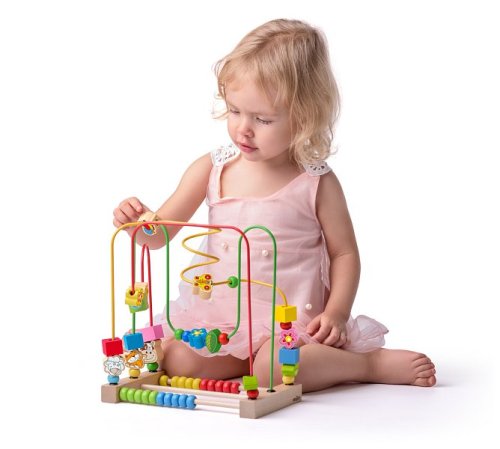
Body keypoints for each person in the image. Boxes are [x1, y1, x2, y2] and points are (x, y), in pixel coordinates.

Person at [113, 19, 436, 393]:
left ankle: (367, 364)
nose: (243, 129)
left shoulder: (315, 181)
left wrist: (337, 313)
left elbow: (344, 253)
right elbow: (159, 235)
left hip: (289, 320)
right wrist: (138, 224)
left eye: (262, 119)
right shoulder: (212, 168)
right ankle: (242, 357)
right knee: (178, 359)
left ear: (304, 118)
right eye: (235, 111)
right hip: (223, 319)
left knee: (276, 369)